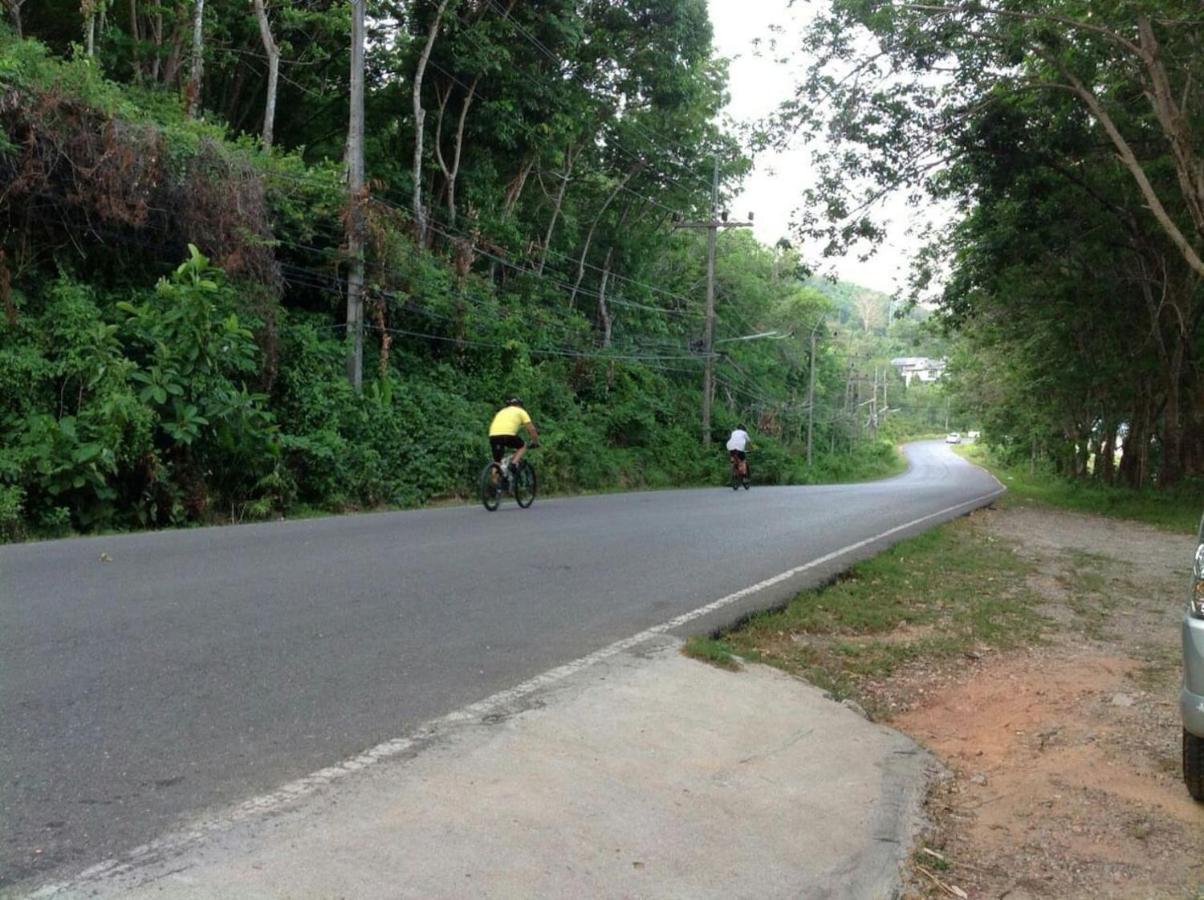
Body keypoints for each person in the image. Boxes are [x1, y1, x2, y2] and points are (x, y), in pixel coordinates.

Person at [488, 397, 539, 476]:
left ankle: (495, 486)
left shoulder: (501, 411)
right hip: (507, 435)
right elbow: (531, 429)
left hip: (493, 435)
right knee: (522, 446)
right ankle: (513, 464)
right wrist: (535, 441)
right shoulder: (521, 411)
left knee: (497, 462)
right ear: (520, 405)